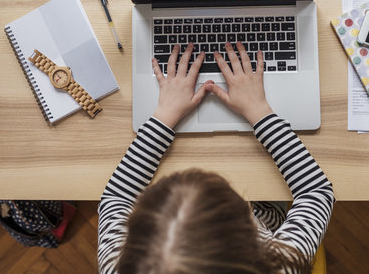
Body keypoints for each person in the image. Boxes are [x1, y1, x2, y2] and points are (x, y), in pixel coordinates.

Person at [98, 42, 335, 274]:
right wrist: (260, 111)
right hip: (270, 216)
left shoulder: (120, 266)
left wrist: (164, 116)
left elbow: (116, 196)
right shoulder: (278, 263)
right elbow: (316, 193)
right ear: (247, 238)